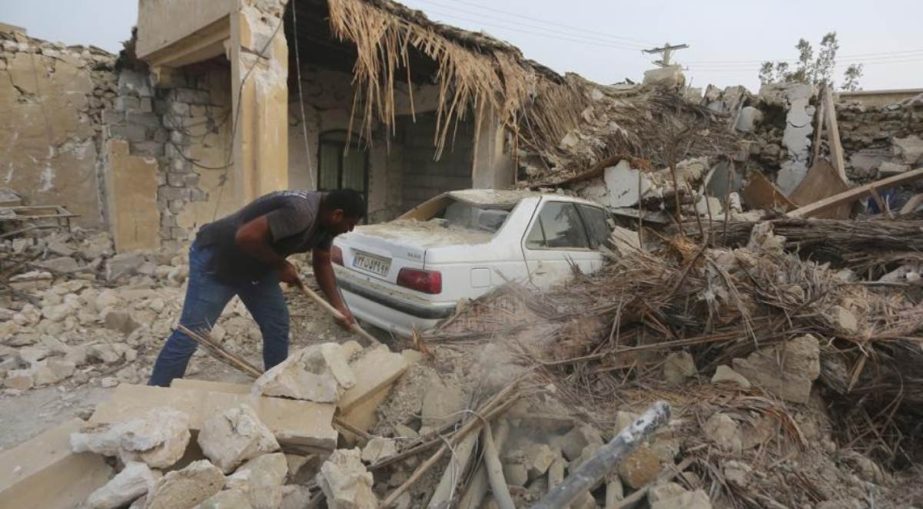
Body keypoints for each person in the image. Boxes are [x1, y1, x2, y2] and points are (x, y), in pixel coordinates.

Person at [148, 188, 365, 387]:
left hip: (256, 264)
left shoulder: (326, 225)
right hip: (218, 257)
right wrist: (281, 265)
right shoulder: (302, 212)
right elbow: (246, 236)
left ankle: (274, 387)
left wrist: (339, 308)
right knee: (193, 332)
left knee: (276, 325)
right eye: (350, 223)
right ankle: (154, 395)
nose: (350, 229)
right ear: (337, 214)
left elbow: (322, 262)